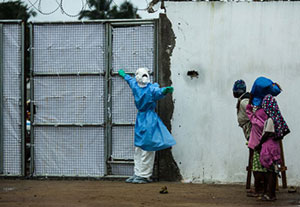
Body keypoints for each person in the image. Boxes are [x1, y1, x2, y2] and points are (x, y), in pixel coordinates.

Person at [118, 68, 176, 184]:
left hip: (149, 119)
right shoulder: (137, 86)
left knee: (147, 147)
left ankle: (144, 175)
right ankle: (138, 173)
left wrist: (164, 91)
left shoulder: (150, 88)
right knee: (139, 147)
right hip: (142, 118)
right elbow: (130, 80)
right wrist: (124, 75)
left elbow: (158, 92)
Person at [255, 94, 290, 201]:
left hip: (268, 149)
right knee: (273, 171)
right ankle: (271, 193)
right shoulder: (277, 119)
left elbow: (266, 134)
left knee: (270, 172)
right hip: (274, 147)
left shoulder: (271, 119)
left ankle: (270, 194)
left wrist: (259, 144)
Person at [246, 95, 269, 197]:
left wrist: (250, 101)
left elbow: (248, 111)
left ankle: (257, 189)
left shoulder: (255, 121)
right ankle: (263, 188)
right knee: (264, 169)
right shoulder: (266, 122)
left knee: (256, 169)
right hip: (264, 148)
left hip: (256, 147)